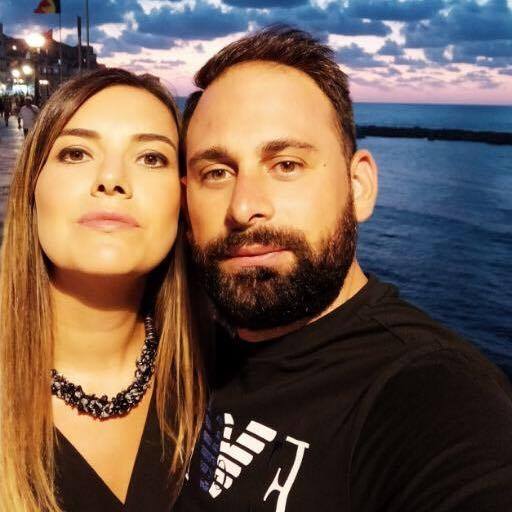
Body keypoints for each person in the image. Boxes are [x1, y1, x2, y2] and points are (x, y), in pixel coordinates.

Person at [176, 27, 512, 511]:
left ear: (359, 188)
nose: (244, 207)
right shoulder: (186, 351)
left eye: (286, 164)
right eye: (216, 172)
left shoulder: (433, 393)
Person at [0, 68, 205, 511]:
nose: (111, 179)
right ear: (32, 187)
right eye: (76, 153)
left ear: (184, 199)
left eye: (151, 158)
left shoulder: (224, 375)